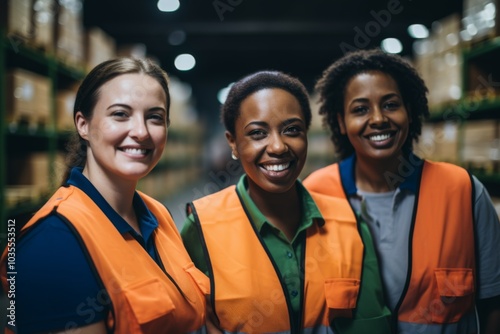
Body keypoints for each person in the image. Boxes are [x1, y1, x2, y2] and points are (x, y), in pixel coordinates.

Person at [0, 58, 209, 333]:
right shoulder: (53, 242)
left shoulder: (158, 214)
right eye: (120, 114)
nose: (141, 132)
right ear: (83, 124)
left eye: (154, 117)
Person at [303, 48, 500, 334]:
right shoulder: (314, 195)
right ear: (341, 122)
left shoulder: (463, 190)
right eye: (360, 109)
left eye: (391, 104)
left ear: (410, 110)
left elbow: (493, 302)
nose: (379, 119)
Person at [181, 70, 392, 334]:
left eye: (292, 130)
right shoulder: (201, 227)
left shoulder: (348, 221)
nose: (278, 147)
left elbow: (370, 326)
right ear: (233, 143)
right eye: (258, 133)